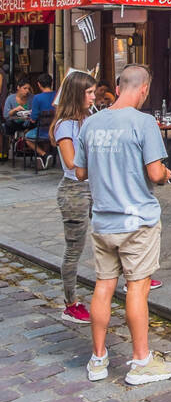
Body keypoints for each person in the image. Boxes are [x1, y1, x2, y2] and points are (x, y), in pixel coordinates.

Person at [74, 63, 171, 385]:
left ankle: (98, 359)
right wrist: (167, 174)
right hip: (137, 221)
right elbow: (155, 173)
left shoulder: (91, 124)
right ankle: (140, 361)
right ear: (144, 89)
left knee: (103, 287)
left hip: (103, 221)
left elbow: (80, 172)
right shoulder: (144, 122)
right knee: (137, 288)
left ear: (118, 88)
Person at [51, 70, 97, 325]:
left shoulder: (88, 117)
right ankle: (70, 304)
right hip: (74, 191)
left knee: (110, 233)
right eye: (89, 93)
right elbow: (72, 163)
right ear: (76, 94)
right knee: (74, 249)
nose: (93, 97)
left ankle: (130, 280)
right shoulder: (65, 125)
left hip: (93, 187)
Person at [25, 72, 56, 164]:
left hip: (42, 131)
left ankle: (44, 154)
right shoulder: (58, 95)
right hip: (55, 131)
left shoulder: (37, 98)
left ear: (38, 84)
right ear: (52, 83)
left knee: (27, 137)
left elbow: (33, 119)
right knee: (45, 135)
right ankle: (47, 156)